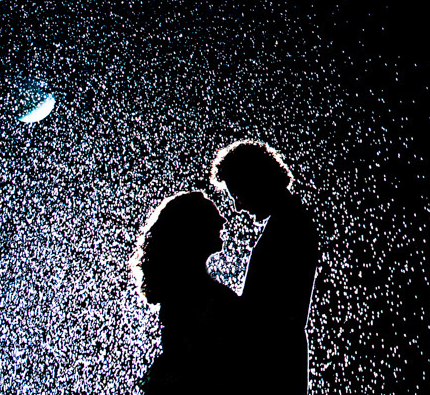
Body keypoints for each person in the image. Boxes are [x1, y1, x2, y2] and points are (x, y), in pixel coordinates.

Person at [211, 141, 318, 395]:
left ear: (255, 180)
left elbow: (268, 314)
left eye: (237, 193)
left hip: (273, 368)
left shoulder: (289, 226)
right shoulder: (290, 220)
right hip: (280, 362)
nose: (238, 206)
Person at [130, 191, 245, 394]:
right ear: (191, 230)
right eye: (211, 215)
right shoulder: (190, 294)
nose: (222, 219)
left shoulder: (183, 289)